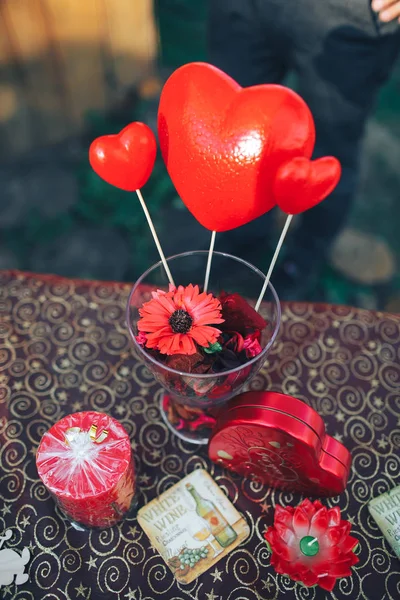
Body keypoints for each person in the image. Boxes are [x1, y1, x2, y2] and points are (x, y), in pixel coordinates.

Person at [208, 0, 400, 299]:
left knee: (330, 153)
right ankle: (239, 251)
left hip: (349, 15)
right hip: (244, 8)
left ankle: (304, 259)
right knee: (236, 134)